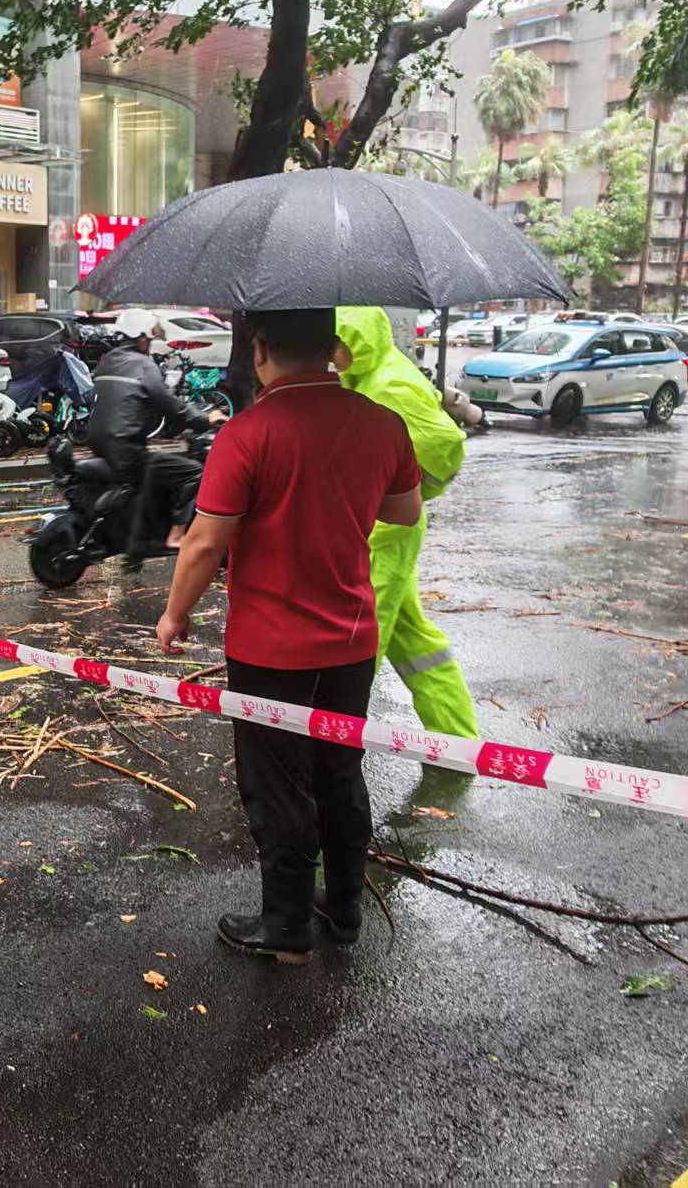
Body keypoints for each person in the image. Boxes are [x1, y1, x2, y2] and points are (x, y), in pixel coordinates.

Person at [155, 309, 423, 962]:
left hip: (270, 647)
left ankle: (284, 925)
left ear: (261, 351)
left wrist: (175, 614)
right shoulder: (382, 423)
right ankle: (345, 906)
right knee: (339, 773)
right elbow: (404, 509)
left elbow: (205, 541)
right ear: (332, 347)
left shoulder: (247, 433)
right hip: (352, 640)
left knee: (279, 784)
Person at [333, 307, 480, 741]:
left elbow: (445, 443)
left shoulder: (388, 384)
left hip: (386, 527)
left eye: (337, 342)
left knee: (362, 634)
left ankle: (336, 735)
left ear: (358, 340)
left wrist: (407, 491)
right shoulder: (364, 377)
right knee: (414, 642)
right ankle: (456, 745)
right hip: (378, 522)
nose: (332, 352)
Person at [91, 308, 221, 548]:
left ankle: (141, 538)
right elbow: (169, 405)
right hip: (127, 449)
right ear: (141, 338)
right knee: (193, 473)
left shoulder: (107, 361)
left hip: (100, 444)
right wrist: (206, 419)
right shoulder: (144, 364)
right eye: (149, 339)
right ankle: (177, 535)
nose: (150, 344)